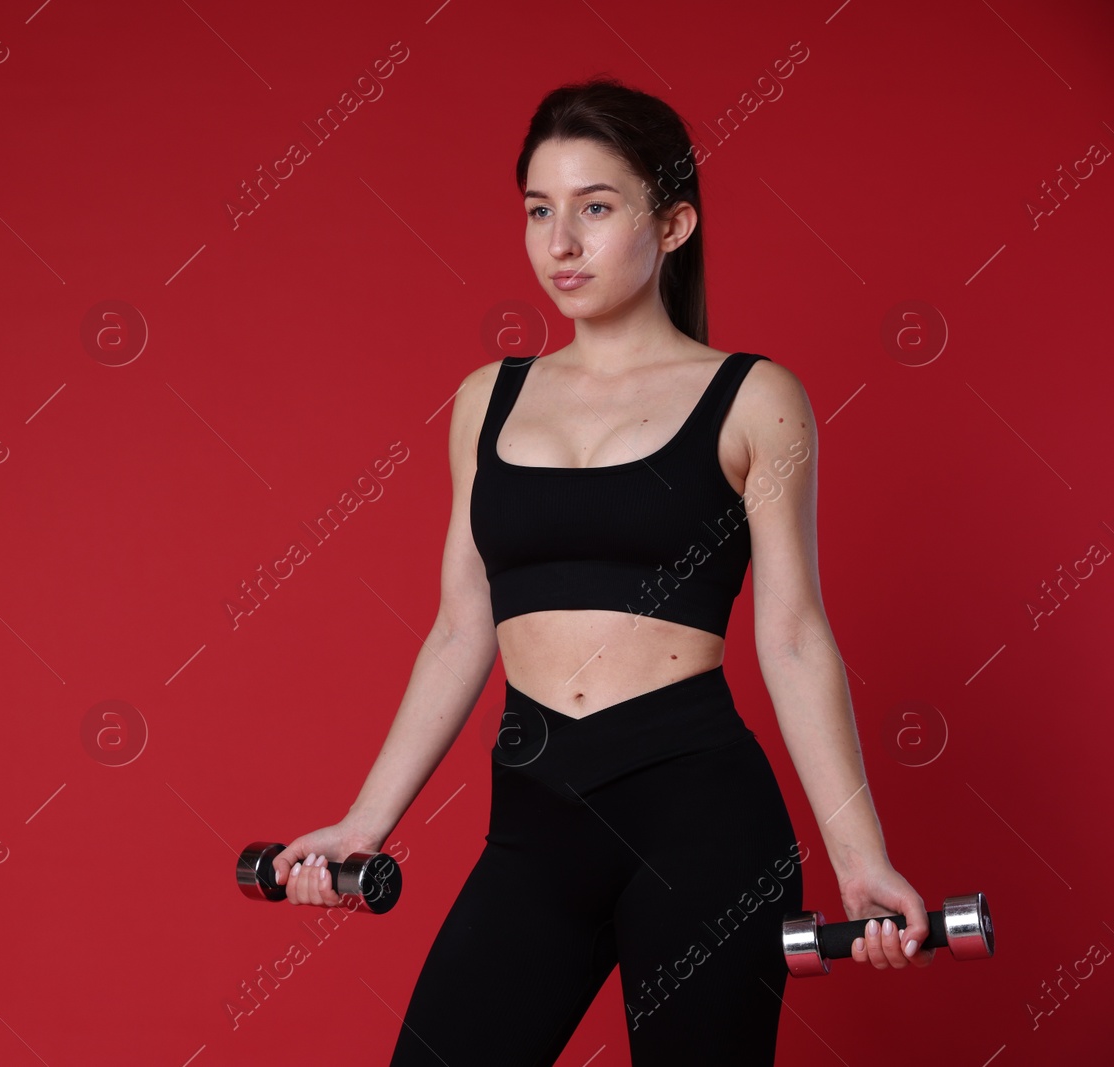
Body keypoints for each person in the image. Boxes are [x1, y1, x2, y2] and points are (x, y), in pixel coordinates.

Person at [271, 77, 934, 1065]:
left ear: (671, 224)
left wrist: (858, 854)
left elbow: (792, 636)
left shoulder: (755, 398)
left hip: (701, 820)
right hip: (535, 814)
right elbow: (461, 628)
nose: (560, 242)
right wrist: (364, 822)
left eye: (595, 207)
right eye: (539, 211)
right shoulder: (483, 400)